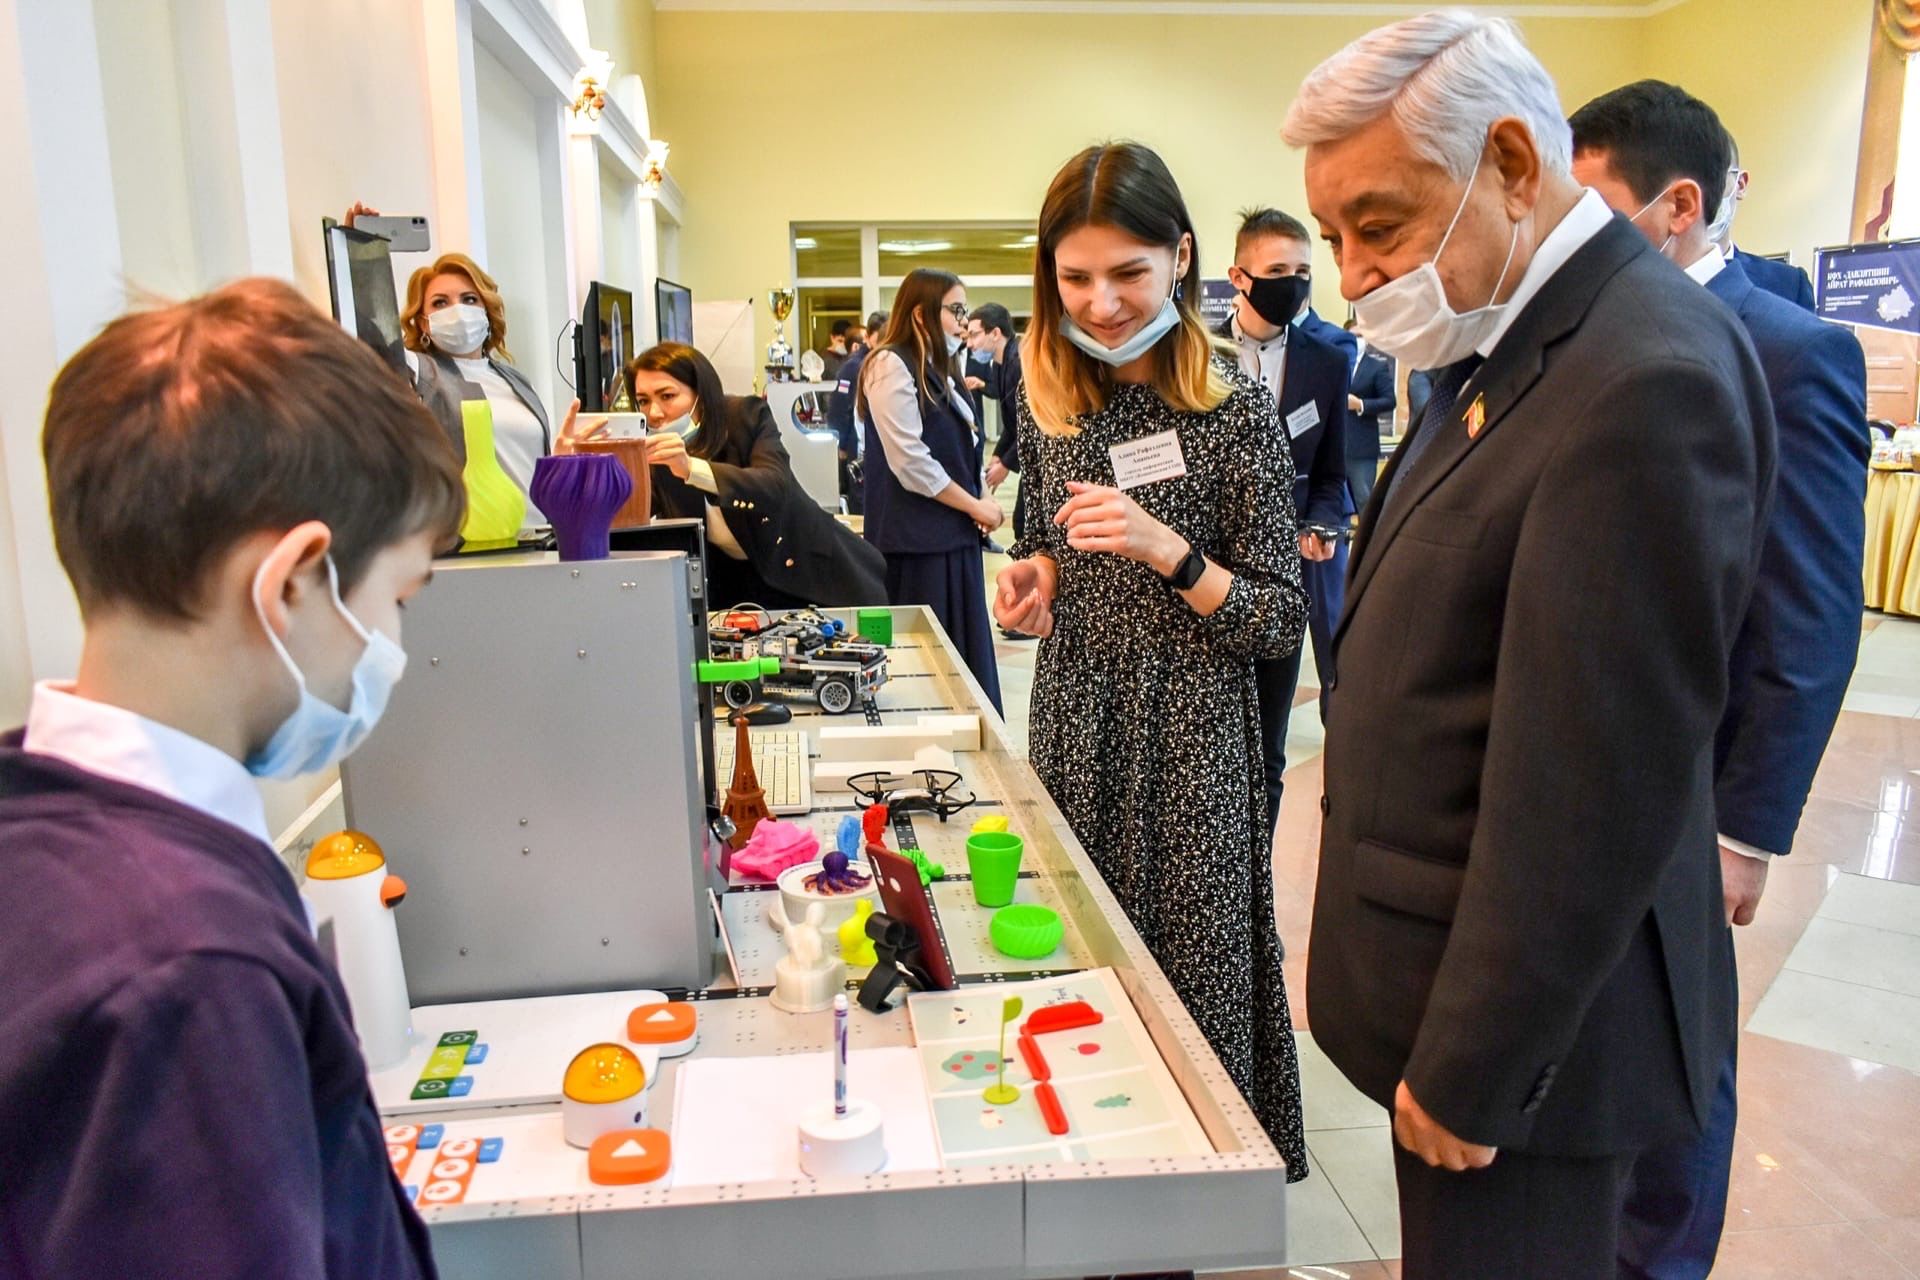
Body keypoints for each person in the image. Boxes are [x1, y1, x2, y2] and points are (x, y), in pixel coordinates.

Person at [1285, 13, 1775, 1276]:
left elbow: (1594, 782)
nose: (1352, 276)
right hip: (1443, 983)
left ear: (1509, 162)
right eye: (1335, 238)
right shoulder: (1505, 337)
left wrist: (1477, 1064)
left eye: (1379, 226)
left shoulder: (1641, 373)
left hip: (1530, 1057)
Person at [1, 278, 464, 1277]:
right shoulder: (191, 967)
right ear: (293, 579)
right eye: (398, 596)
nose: (393, 645)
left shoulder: (38, 819)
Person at [1569, 80, 1869, 1280]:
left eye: (1593, 212)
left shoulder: (1791, 352)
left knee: (1678, 1050)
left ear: (1678, 205)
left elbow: (1808, 612)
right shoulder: (1577, 334)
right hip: (1574, 761)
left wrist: (1747, 823)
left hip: (1690, 785)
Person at [991, 142, 1310, 1175]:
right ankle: (1089, 1167)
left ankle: (1198, 1190)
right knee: (1083, 963)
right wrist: (1037, 573)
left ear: (1181, 256)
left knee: (1192, 977)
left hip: (1190, 740)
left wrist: (1173, 553)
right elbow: (1043, 533)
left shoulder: (1234, 411)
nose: (1102, 303)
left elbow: (1277, 619)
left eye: (1128, 272)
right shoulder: (1050, 399)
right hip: (1076, 716)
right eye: (1076, 278)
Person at [1218, 206, 1352, 838]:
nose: (1293, 284)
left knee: (1268, 750)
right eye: (1277, 272)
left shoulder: (1327, 361)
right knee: (1205, 746)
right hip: (1204, 575)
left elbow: (1330, 476)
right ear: (1239, 277)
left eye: (1303, 271)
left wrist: (1321, 523)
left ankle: (1256, 874)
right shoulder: (1194, 354)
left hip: (1282, 581)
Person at [345, 206, 602, 532]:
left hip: (540, 537)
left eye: (469, 299)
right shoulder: (418, 372)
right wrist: (362, 255)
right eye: (440, 302)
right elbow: (370, 338)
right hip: (470, 546)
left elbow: (525, 469)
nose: (457, 310)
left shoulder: (514, 380)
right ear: (422, 321)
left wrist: (560, 460)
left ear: (486, 309)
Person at [623, 342, 887, 609]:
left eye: (667, 396)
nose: (654, 413)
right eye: (643, 401)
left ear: (700, 394)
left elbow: (774, 485)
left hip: (812, 574)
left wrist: (692, 469)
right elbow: (627, 517)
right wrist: (600, 459)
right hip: (734, 589)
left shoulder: (744, 415)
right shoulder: (656, 453)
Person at [857, 270, 1004, 710]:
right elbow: (910, 462)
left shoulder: (940, 367)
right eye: (955, 310)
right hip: (916, 547)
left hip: (952, 539)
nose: (963, 322)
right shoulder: (889, 364)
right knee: (927, 676)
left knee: (963, 664)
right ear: (921, 314)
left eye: (964, 310)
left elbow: (965, 446)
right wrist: (974, 505)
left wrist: (982, 499)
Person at [1712, 137, 1817, 312]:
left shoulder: (1788, 285)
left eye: (1712, 177)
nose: (1699, 194)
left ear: (1740, 184)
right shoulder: (1661, 279)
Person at [970, 303, 1029, 552]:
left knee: (1024, 523)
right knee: (1023, 523)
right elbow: (1013, 422)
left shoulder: (1019, 362)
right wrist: (998, 455)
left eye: (974, 335)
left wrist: (1005, 464)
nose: (970, 344)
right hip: (1027, 451)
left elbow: (1031, 424)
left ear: (995, 333)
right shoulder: (999, 364)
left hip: (1041, 454)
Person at [828, 309, 888, 515]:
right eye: (881, 339)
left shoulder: (883, 362)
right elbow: (839, 408)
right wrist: (842, 445)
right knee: (862, 503)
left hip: (880, 446)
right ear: (869, 336)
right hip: (859, 445)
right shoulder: (853, 366)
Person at [1344, 316, 1393, 514]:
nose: (1357, 340)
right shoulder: (1336, 363)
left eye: (1360, 336)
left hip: (1362, 448)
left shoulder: (1376, 367)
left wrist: (1361, 405)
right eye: (1352, 336)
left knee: (1364, 500)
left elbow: (1389, 401)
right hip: (1335, 447)